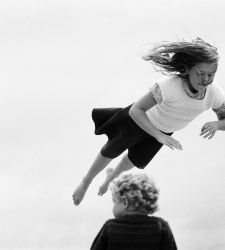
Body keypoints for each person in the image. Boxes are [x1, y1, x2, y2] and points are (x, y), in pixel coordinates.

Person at [73, 37, 225, 206]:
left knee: (134, 161)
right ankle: (86, 181)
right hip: (138, 122)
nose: (205, 80)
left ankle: (110, 179)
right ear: (188, 69)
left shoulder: (214, 93)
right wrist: (159, 135)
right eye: (200, 74)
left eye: (210, 75)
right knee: (111, 151)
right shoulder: (169, 87)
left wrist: (217, 125)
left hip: (164, 132)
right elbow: (136, 110)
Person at [90, 171, 177, 250]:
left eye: (114, 201)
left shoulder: (110, 228)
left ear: (124, 201)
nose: (113, 206)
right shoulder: (161, 227)